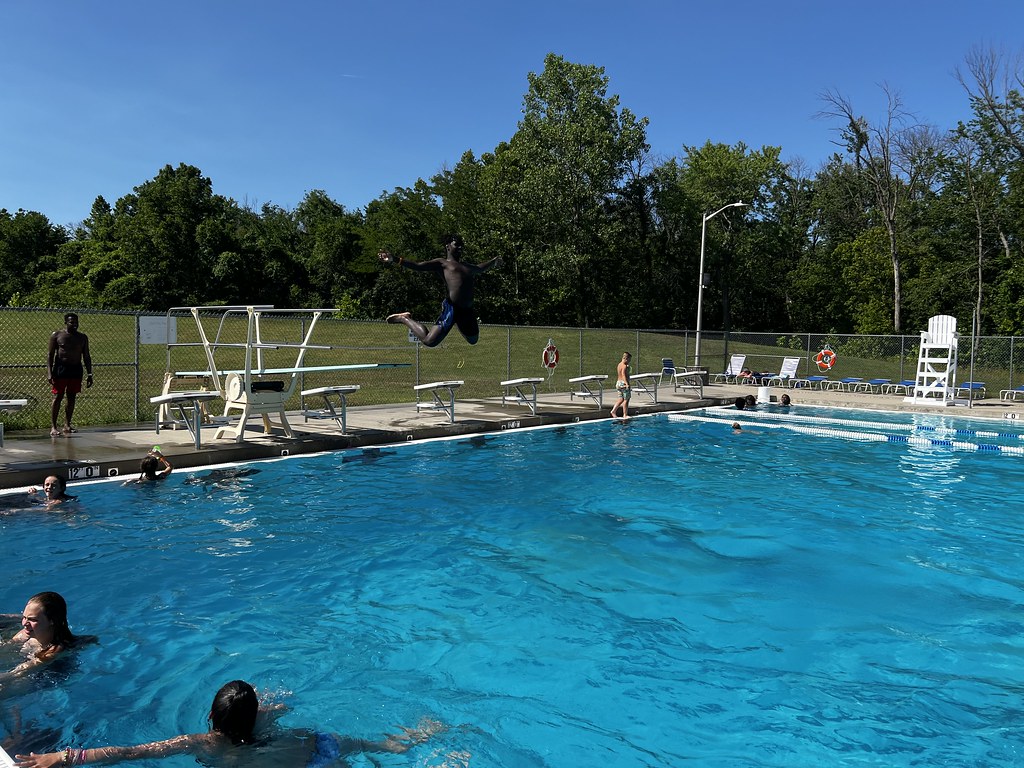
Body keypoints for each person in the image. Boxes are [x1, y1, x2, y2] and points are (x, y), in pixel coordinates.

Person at [14, 680, 444, 767]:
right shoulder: (269, 720)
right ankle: (424, 736)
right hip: (316, 747)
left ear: (211, 716)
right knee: (386, 748)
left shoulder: (202, 743)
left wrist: (67, 756)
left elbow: (128, 752)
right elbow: (284, 699)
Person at [378, 234, 502, 347]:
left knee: (473, 340)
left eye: (461, 245)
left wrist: (493, 262)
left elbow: (480, 268)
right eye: (456, 244)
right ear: (448, 247)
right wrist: (394, 259)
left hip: (466, 310)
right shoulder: (442, 264)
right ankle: (404, 318)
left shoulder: (467, 267)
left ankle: (456, 321)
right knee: (429, 341)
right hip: (452, 308)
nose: (460, 247)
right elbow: (418, 266)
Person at [1, 592, 92, 685]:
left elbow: (17, 673)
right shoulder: (26, 634)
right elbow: (6, 648)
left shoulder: (55, 649)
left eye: (33, 619)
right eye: (24, 617)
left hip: (46, 674)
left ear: (52, 621)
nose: (24, 623)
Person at [47, 313, 93, 437]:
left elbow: (86, 356)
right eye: (71, 322)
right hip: (61, 369)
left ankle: (67, 425)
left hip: (76, 369)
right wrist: (50, 373)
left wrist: (90, 373)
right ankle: (54, 426)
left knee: (71, 397)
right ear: (66, 322)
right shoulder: (57, 335)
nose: (74, 325)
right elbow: (50, 355)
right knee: (58, 397)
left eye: (76, 322)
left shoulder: (82, 337)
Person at [610, 352, 632, 419]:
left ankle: (613, 411)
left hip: (618, 383)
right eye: (629, 360)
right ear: (626, 358)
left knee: (621, 398)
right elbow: (623, 375)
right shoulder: (624, 366)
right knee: (626, 399)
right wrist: (627, 384)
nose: (629, 361)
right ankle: (625, 415)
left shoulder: (619, 364)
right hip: (623, 383)